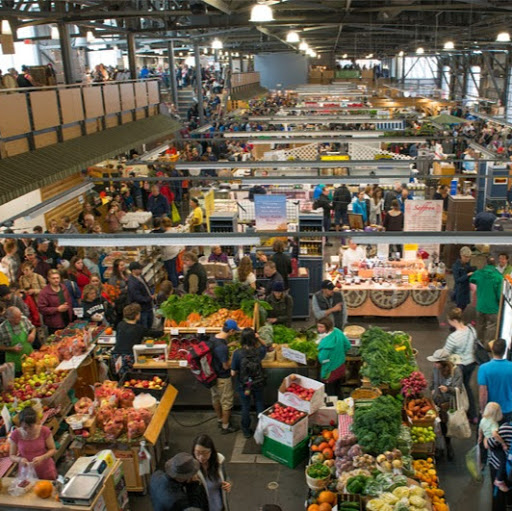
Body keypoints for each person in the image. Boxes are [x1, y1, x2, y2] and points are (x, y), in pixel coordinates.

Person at [427, 348, 463, 461]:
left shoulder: (456, 371)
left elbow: (459, 389)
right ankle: (439, 448)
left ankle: (448, 445)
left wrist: (447, 389)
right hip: (436, 402)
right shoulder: (435, 369)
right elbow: (432, 381)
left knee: (446, 426)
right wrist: (432, 388)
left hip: (448, 404)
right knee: (437, 426)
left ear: (443, 363)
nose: (434, 364)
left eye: (437, 362)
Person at [231, 328, 267, 438]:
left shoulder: (237, 353)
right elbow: (266, 346)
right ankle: (261, 428)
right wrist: (258, 338)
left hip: (244, 385)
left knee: (245, 407)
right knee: (259, 403)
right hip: (258, 383)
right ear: (253, 338)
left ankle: (246, 431)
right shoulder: (259, 351)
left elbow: (233, 373)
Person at [443, 307, 478, 421]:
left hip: (459, 366)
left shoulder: (453, 337)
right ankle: (473, 414)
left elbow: (445, 353)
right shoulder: (472, 330)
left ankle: (458, 413)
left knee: (456, 389)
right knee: (466, 386)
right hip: (471, 363)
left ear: (454, 320)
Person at [113, 303, 163, 377]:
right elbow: (153, 333)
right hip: (128, 358)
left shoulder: (120, 324)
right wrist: (164, 332)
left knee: (120, 379)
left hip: (115, 356)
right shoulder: (138, 328)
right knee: (129, 378)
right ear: (137, 315)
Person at [209, 320, 240, 435]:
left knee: (216, 398)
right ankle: (225, 426)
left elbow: (216, 351)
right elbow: (226, 366)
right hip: (222, 377)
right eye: (235, 331)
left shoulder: (213, 339)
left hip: (212, 376)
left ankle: (219, 419)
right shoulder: (223, 348)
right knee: (226, 402)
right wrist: (234, 355)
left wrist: (228, 345)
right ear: (231, 331)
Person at [9, 407, 57, 480]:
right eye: (24, 428)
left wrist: (42, 457)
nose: (28, 430)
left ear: (37, 423)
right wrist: (20, 460)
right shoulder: (15, 434)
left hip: (45, 469)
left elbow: (52, 449)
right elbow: (12, 456)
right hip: (26, 472)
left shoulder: (44, 431)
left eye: (31, 427)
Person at [192, 434, 231, 511]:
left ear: (211, 451)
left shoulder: (219, 461)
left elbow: (226, 478)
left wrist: (228, 484)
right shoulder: (191, 468)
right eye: (197, 453)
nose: (201, 457)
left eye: (205, 453)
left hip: (220, 506)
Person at [470, 257, 503, 347]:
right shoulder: (498, 276)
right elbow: (499, 294)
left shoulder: (478, 273)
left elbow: (472, 280)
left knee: (480, 324)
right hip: (493, 307)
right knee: (492, 326)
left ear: (486, 263)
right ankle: (488, 345)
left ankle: (479, 343)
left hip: (480, 305)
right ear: (495, 264)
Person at [478, 338, 512, 422]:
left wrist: (482, 410)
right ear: (505, 351)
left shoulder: (484, 368)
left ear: (492, 350)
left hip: (490, 410)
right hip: (508, 409)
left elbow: (483, 393)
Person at [317, 317, 351, 397]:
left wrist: (328, 360)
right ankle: (341, 403)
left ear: (328, 327)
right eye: (318, 326)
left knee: (330, 392)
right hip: (340, 366)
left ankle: (333, 407)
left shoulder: (326, 343)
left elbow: (322, 360)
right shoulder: (337, 331)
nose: (319, 329)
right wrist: (340, 354)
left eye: (321, 327)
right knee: (338, 388)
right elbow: (347, 345)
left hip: (330, 370)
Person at [478, 402, 509, 492]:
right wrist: (503, 443)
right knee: (502, 460)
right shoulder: (494, 423)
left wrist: (480, 438)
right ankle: (499, 480)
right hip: (492, 444)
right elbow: (495, 435)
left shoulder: (483, 419)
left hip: (486, 441)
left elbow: (480, 429)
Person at [0, 307, 35, 373]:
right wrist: (11, 348)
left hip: (30, 357)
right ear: (9, 318)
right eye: (16, 318)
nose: (19, 319)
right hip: (15, 361)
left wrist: (32, 334)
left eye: (20, 316)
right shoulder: (2, 329)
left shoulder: (24, 319)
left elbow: (33, 328)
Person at [37, 270, 73, 334]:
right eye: (53, 278)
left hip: (67, 320)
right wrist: (57, 309)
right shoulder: (44, 293)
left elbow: (69, 300)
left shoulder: (63, 287)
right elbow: (41, 309)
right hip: (54, 324)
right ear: (48, 279)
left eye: (57, 278)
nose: (56, 280)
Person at [127, 261, 155, 329]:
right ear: (133, 270)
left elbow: (146, 287)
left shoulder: (140, 277)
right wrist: (150, 298)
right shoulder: (132, 283)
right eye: (139, 269)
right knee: (144, 326)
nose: (141, 270)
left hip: (148, 306)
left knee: (150, 323)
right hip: (142, 309)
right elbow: (137, 297)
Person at [161, 218, 182, 288]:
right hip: (175, 252)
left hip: (168, 255)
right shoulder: (174, 230)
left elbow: (162, 245)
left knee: (171, 272)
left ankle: (174, 287)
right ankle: (177, 283)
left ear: (163, 225)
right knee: (174, 270)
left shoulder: (165, 235)